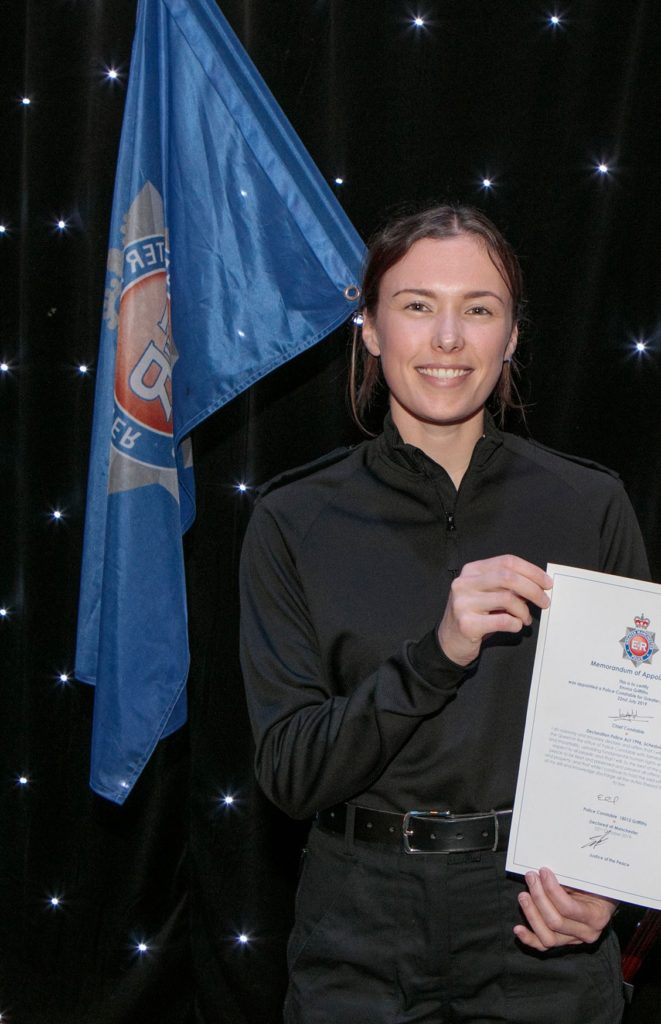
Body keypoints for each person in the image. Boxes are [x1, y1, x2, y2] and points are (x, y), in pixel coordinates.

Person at [239, 204, 649, 1023]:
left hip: (538, 928)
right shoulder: (292, 518)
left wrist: (612, 890)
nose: (448, 340)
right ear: (368, 328)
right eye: (417, 306)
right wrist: (438, 651)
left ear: (511, 337)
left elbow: (641, 732)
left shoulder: (587, 503)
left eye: (479, 309)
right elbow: (288, 774)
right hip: (357, 928)